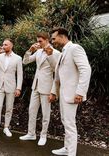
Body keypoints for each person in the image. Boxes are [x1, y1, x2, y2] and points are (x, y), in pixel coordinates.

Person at [50, 27, 91, 156]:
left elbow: (86, 69)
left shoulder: (75, 48)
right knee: (65, 120)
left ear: (62, 36)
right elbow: (58, 76)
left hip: (73, 94)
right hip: (63, 93)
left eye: (54, 38)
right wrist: (54, 92)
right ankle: (67, 148)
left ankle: (71, 153)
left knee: (70, 123)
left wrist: (80, 92)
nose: (52, 41)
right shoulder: (63, 52)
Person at [20, 32, 60, 146]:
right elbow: (25, 61)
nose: (38, 43)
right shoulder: (37, 51)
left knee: (45, 113)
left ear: (47, 40)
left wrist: (50, 55)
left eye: (40, 41)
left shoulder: (56, 53)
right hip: (36, 86)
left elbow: (56, 70)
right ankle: (31, 134)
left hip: (47, 87)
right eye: (37, 41)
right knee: (32, 110)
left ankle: (43, 136)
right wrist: (29, 50)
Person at [0, 38, 23, 141]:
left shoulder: (18, 58)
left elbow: (20, 74)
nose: (3, 46)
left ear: (11, 46)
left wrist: (18, 88)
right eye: (3, 44)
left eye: (6, 45)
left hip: (11, 86)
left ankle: (6, 127)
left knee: (9, 108)